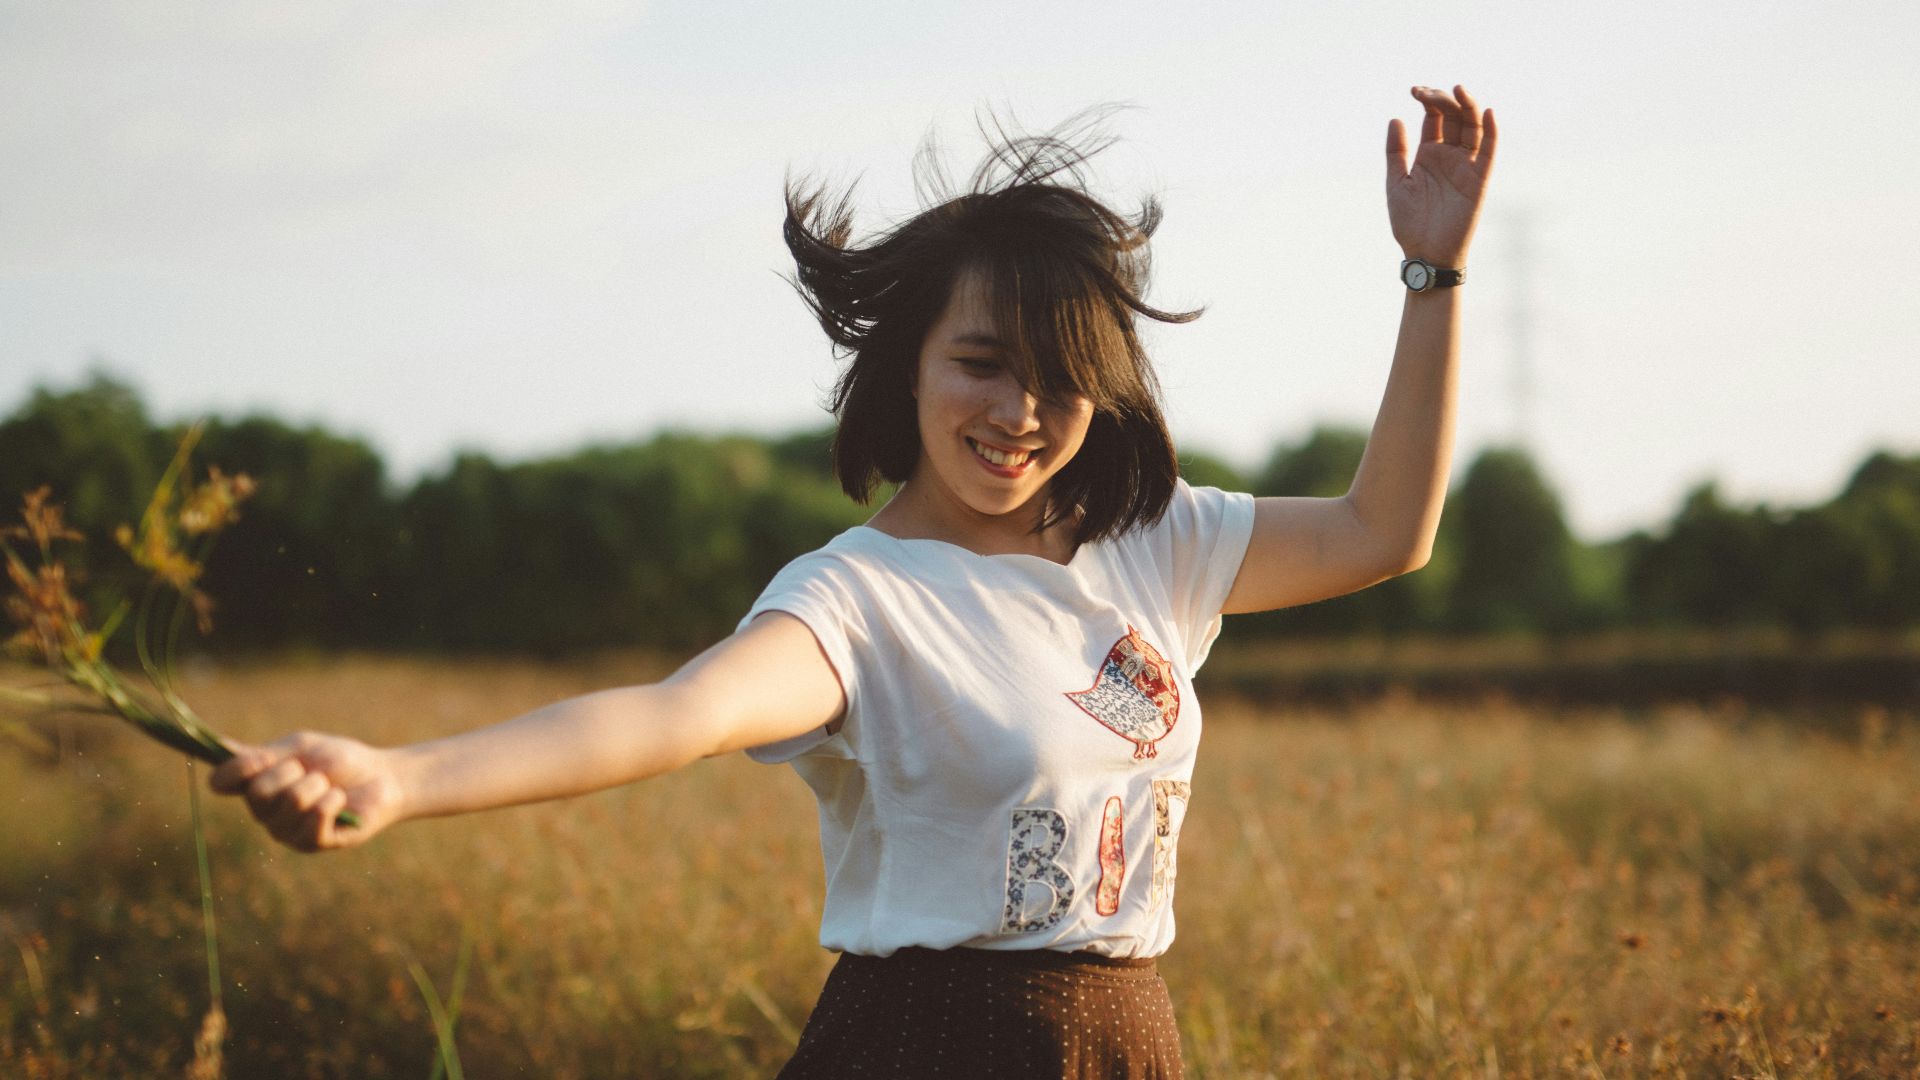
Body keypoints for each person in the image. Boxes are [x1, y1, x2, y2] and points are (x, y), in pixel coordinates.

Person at [211, 85, 1496, 1077]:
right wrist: (400, 778)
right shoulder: (859, 600)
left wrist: (1432, 278)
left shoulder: (1152, 540)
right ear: (910, 364)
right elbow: (674, 716)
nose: (1020, 411)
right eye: (981, 363)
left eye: (1059, 378)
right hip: (925, 1046)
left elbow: (1384, 530)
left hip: (1125, 1041)